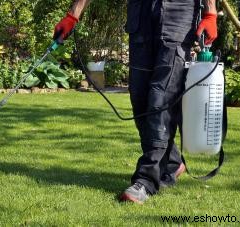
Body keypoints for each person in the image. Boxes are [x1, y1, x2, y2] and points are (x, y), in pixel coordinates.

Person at [53, 0, 218, 204]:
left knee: (160, 98)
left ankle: (146, 180)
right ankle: (173, 162)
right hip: (140, 15)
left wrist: (210, 13)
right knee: (139, 98)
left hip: (178, 14)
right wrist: (72, 16)